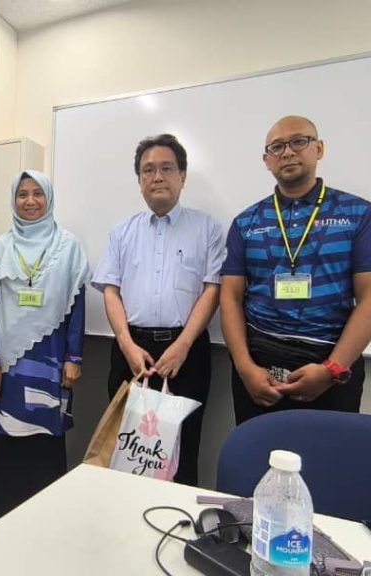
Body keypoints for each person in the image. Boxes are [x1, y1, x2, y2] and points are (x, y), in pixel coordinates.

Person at [219, 115, 371, 425]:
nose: (287, 152)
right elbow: (230, 298)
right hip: (259, 365)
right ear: (266, 160)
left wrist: (331, 370)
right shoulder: (246, 221)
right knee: (257, 451)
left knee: (327, 454)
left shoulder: (358, 213)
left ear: (319, 149)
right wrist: (245, 368)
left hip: (330, 360)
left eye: (299, 142)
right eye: (277, 147)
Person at [91, 134, 225, 487]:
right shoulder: (122, 231)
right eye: (148, 170)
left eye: (167, 168)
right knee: (127, 448)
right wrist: (126, 344)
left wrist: (183, 345)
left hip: (187, 352)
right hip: (131, 350)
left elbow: (212, 289)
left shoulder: (207, 228)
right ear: (139, 181)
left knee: (183, 447)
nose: (157, 176)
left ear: (183, 175)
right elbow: (110, 291)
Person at [0, 170, 90, 524]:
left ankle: (45, 517)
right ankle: (3, 513)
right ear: (14, 200)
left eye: (38, 193)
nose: (30, 201)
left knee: (45, 436)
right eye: (22, 194)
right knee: (6, 433)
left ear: (49, 198)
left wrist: (74, 357)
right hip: (7, 363)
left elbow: (77, 305)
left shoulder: (68, 246)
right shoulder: (2, 246)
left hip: (50, 360)